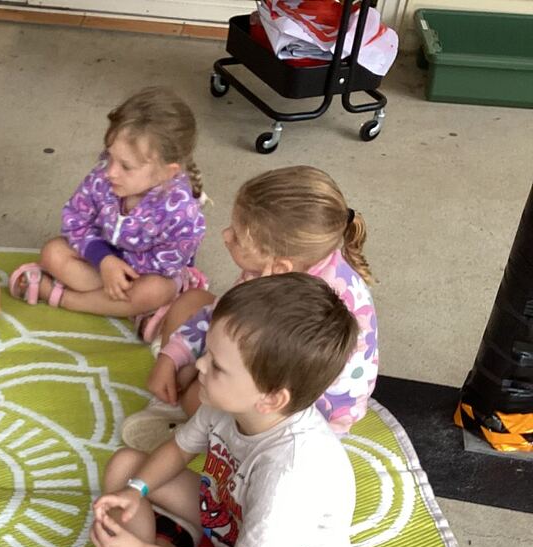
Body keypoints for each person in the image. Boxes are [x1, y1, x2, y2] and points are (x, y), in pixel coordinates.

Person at [91, 274, 358, 547]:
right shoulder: (227, 402)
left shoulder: (290, 471)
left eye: (216, 365)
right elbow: (179, 448)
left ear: (271, 398)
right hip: (224, 515)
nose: (198, 364)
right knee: (125, 466)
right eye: (206, 353)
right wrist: (136, 490)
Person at [123, 165, 378, 451]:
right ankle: (174, 399)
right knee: (191, 303)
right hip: (265, 358)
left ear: (279, 267)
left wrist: (196, 370)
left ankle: (185, 417)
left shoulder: (290, 305)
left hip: (297, 415)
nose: (225, 235)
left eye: (238, 238)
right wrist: (170, 358)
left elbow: (265, 381)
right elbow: (220, 315)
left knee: (196, 396)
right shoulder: (288, 266)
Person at [8, 86, 205, 338]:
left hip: (145, 276)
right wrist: (103, 261)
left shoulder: (182, 212)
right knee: (52, 252)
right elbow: (74, 220)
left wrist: (120, 270)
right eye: (109, 156)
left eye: (126, 166)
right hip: (101, 262)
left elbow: (166, 264)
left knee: (155, 291)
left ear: (168, 172)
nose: (111, 171)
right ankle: (130, 309)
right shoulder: (103, 178)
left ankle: (62, 297)